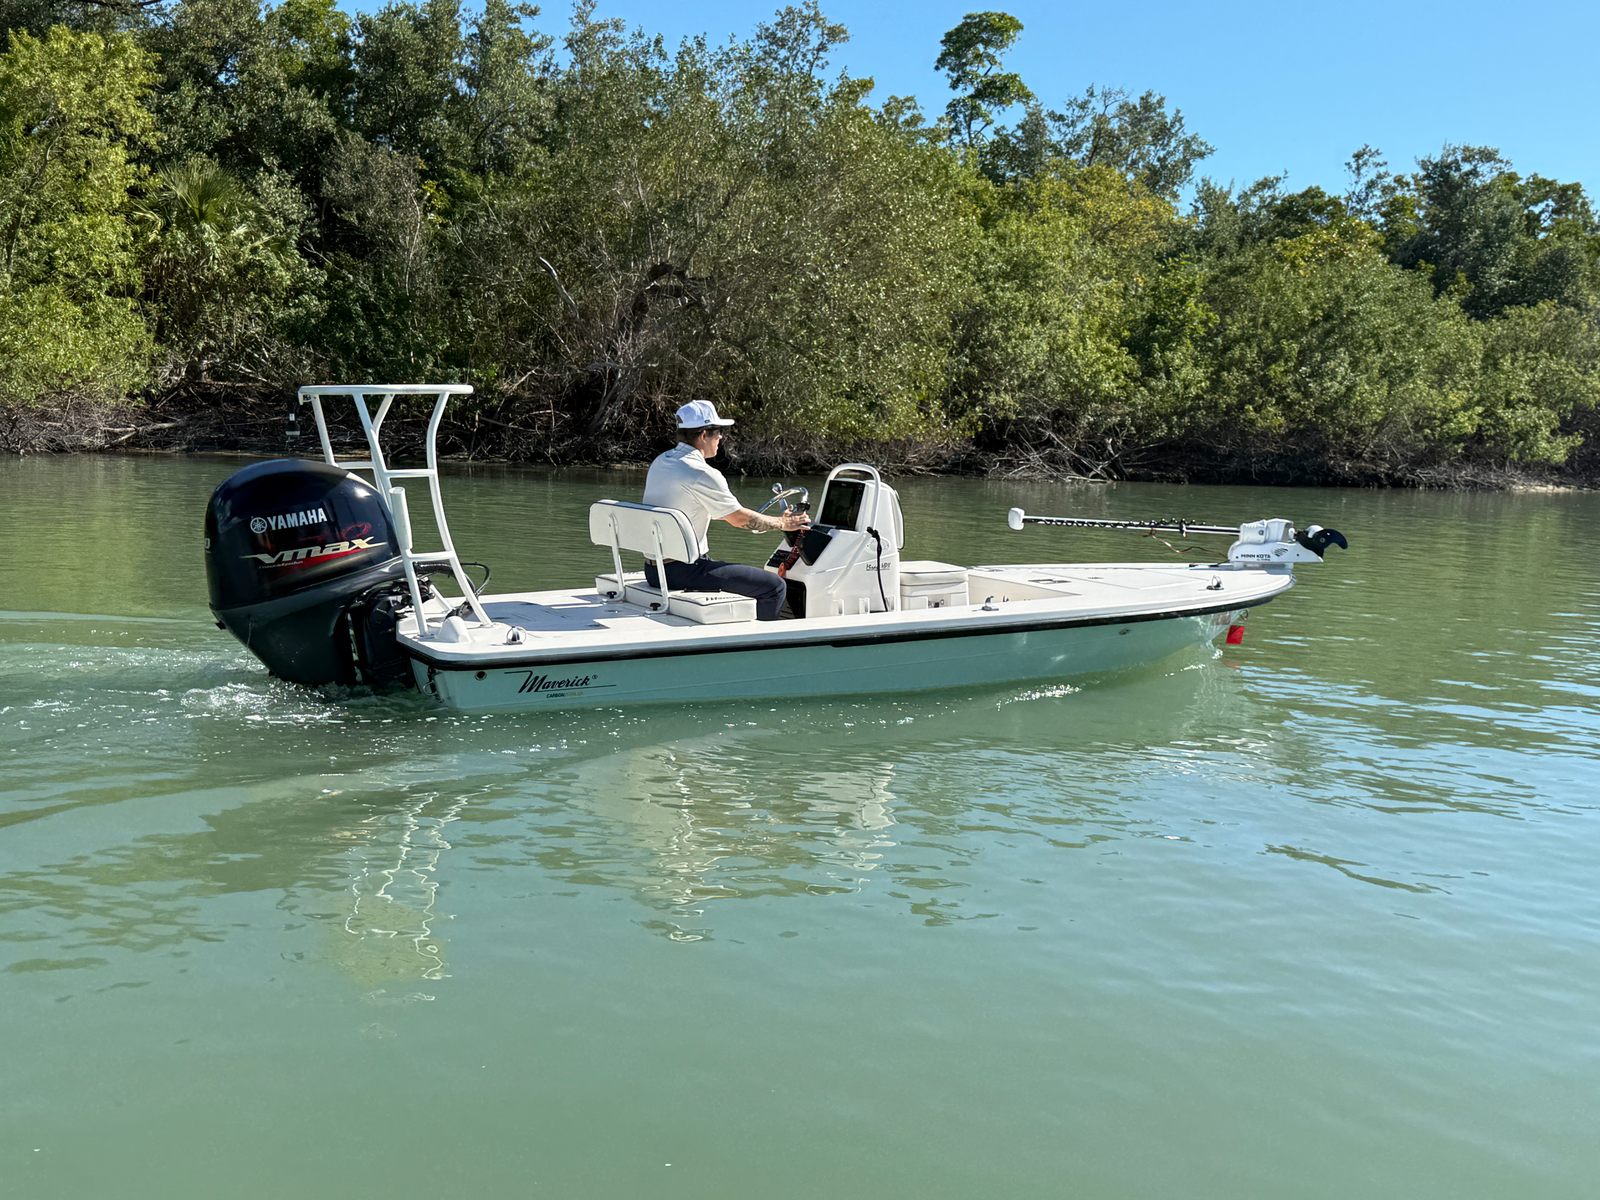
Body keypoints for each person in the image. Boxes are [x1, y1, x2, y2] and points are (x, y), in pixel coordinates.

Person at [642, 400, 810, 621]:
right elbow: (739, 519)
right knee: (774, 586)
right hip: (682, 572)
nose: (721, 437)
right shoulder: (701, 473)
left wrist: (769, 519)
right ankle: (761, 641)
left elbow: (712, 510)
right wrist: (783, 523)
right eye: (718, 432)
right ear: (704, 435)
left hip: (654, 571)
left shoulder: (661, 462)